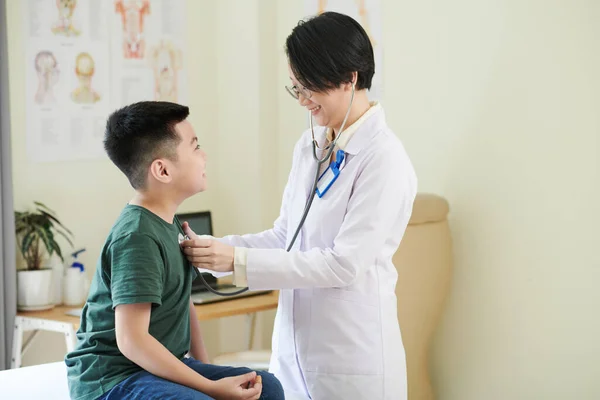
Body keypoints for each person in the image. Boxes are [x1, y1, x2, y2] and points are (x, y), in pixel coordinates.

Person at [180, 11, 417, 400]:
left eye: (309, 87)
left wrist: (236, 261)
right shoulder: (310, 148)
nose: (303, 100)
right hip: (294, 358)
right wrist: (213, 252)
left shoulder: (384, 158)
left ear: (350, 76)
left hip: (351, 362)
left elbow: (344, 264)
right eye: (296, 88)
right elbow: (286, 236)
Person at [64, 101, 285, 400]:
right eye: (195, 147)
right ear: (163, 170)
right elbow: (132, 341)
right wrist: (208, 387)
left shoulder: (168, 225)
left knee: (266, 388)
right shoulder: (136, 236)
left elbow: (183, 303)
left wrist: (205, 369)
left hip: (151, 371)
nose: (204, 155)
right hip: (114, 379)